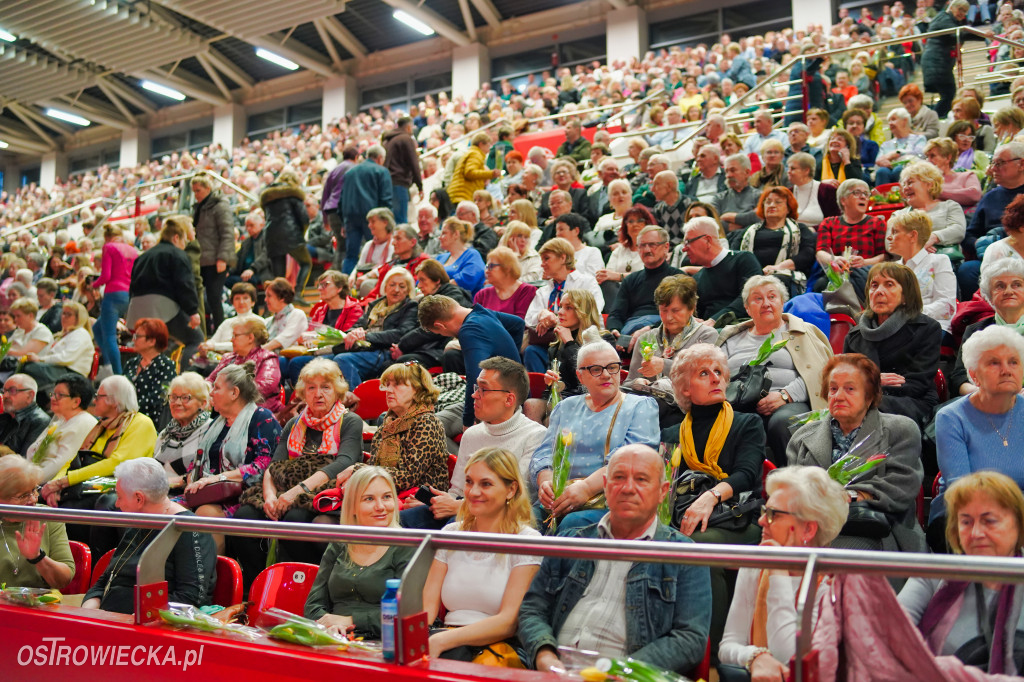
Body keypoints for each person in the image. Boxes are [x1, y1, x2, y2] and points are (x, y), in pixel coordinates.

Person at [518, 444, 711, 674]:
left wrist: (623, 670)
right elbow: (532, 608)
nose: (628, 488)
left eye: (641, 479)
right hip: (552, 673)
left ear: (662, 491)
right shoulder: (571, 541)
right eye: (619, 477)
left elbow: (689, 639)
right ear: (607, 487)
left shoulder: (684, 556)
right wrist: (544, 655)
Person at [664, 343, 768, 645]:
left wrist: (709, 497)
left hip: (737, 519)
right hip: (685, 520)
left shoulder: (748, 422)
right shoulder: (671, 434)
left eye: (719, 372)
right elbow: (665, 488)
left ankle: (713, 653)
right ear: (684, 388)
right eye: (704, 373)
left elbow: (747, 475)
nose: (715, 378)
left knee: (696, 546)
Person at [719, 465, 850, 681]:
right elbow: (727, 646)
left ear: (808, 529)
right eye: (764, 511)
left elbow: (790, 659)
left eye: (773, 515)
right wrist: (755, 657)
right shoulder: (755, 566)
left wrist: (778, 571)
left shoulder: (832, 585)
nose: (761, 521)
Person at [233, 360, 360, 579]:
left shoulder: (350, 421)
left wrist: (297, 491)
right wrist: (269, 497)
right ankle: (257, 584)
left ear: (337, 391)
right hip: (287, 490)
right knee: (244, 517)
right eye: (311, 388)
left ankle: (307, 583)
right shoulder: (294, 423)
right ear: (303, 393)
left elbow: (343, 463)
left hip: (325, 493)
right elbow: (274, 466)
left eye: (325, 387)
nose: (318, 394)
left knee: (295, 519)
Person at [787, 354, 926, 553]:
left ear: (869, 395)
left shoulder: (901, 429)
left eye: (850, 389)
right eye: (833, 389)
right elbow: (794, 491)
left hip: (879, 530)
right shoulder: (802, 437)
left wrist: (849, 496)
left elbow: (900, 486)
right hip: (814, 530)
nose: (839, 396)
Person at [898, 471, 1024, 673]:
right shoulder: (931, 574)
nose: (976, 533)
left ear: (1018, 525)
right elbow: (893, 639)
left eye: (989, 520)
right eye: (966, 522)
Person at [422, 447, 540, 663]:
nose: (473, 492)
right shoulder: (451, 533)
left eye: (485, 484)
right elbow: (427, 609)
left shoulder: (527, 539)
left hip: (498, 649)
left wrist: (444, 641)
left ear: (511, 489)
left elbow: (508, 622)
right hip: (444, 641)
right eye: (469, 482)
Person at [529, 337, 660, 529]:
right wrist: (547, 482)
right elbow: (545, 452)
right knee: (522, 521)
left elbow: (632, 462)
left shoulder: (640, 406)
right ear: (580, 376)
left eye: (612, 367)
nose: (606, 375)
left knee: (572, 525)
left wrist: (586, 488)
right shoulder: (566, 407)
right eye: (596, 369)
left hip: (612, 502)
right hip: (561, 497)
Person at [409, 357, 546, 530]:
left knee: (456, 526)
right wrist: (440, 502)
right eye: (476, 388)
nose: (474, 395)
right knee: (402, 520)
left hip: (506, 519)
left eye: (483, 389)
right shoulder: (472, 434)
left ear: (509, 399)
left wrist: (460, 507)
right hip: (465, 507)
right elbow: (457, 491)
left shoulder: (536, 435)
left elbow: (515, 497)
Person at [718, 276, 833, 461]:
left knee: (782, 422)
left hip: (790, 401)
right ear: (747, 308)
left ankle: (796, 482)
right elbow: (714, 374)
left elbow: (822, 372)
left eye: (772, 297)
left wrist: (785, 395)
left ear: (782, 303)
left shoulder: (804, 331)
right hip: (736, 404)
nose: (766, 303)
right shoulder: (730, 338)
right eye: (757, 298)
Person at [83, 458, 216, 614]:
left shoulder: (188, 529)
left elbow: (190, 598)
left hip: (150, 625)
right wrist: (89, 610)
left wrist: (138, 617)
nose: (117, 504)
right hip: (111, 616)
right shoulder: (140, 520)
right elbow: (107, 579)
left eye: (119, 497)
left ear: (139, 499)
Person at [45, 376, 158, 554]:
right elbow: (73, 460)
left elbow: (117, 463)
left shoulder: (141, 422)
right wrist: (56, 485)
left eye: (99, 396)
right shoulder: (101, 425)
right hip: (86, 483)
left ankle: (86, 565)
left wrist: (66, 482)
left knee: (71, 507)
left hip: (117, 484)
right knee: (39, 497)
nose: (94, 400)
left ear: (115, 401)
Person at [304, 466, 415, 637]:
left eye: (387, 497)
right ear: (353, 507)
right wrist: (330, 625)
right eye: (369, 499)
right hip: (335, 636)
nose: (380, 507)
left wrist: (349, 620)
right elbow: (313, 606)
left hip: (386, 642)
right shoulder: (339, 543)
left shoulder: (406, 547)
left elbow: (407, 614)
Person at [935, 327, 1024, 526]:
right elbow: (962, 488)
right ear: (974, 375)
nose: (1006, 370)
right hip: (965, 512)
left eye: (1014, 362)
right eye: (994, 363)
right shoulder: (951, 418)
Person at [843, 263, 942, 425]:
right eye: (874, 285)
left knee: (863, 406)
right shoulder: (855, 335)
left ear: (905, 296)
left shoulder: (927, 328)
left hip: (914, 402)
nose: (879, 291)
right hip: (864, 399)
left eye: (889, 285)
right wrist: (873, 380)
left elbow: (918, 384)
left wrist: (868, 384)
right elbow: (845, 378)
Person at [333, 362, 449, 493]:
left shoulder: (427, 422)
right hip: (387, 494)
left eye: (397, 384)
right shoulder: (388, 422)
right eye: (387, 385)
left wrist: (358, 469)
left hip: (423, 501)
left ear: (417, 389)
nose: (388, 390)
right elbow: (374, 467)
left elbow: (407, 478)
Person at [417, 294, 525, 428]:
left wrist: (468, 421)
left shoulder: (470, 330)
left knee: (426, 428)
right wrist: (512, 362)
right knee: (430, 422)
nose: (443, 336)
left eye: (439, 333)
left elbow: (475, 377)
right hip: (505, 397)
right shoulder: (483, 313)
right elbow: (518, 324)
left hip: (501, 405)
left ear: (440, 326)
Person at [324, 268, 419, 390]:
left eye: (402, 286)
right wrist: (352, 333)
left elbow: (402, 333)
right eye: (392, 285)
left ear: (408, 290)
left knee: (342, 360)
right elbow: (357, 326)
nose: (396, 290)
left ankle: (356, 403)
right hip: (362, 349)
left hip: (383, 350)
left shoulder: (410, 306)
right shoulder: (375, 305)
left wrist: (366, 335)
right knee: (308, 362)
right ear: (385, 287)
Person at [127, 216, 204, 364]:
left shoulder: (143, 256)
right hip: (161, 309)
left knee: (162, 343)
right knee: (196, 339)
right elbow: (184, 284)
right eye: (183, 241)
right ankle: (188, 380)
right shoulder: (178, 254)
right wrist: (193, 311)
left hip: (136, 311)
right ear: (176, 238)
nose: (184, 245)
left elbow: (132, 287)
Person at [522, 238, 604, 370]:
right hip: (551, 343)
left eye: (546, 259)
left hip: (582, 342)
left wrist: (556, 320)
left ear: (562, 258)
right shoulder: (544, 290)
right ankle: (546, 390)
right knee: (531, 351)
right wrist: (542, 314)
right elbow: (528, 320)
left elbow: (593, 312)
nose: (542, 264)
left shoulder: (586, 282)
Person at [0, 456, 74, 590]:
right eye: (22, 496)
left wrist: (38, 558)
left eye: (34, 490)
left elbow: (64, 580)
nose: (33, 499)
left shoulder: (48, 516)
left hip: (38, 604)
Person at [952, 258, 1024, 395]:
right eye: (1000, 286)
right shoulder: (975, 330)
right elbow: (958, 377)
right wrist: (978, 392)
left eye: (1016, 285)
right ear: (989, 297)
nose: (1008, 291)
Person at [733, 186, 817, 296]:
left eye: (778, 202)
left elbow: (807, 255)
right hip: (749, 275)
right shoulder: (747, 232)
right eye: (768, 202)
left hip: (783, 275)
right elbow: (735, 254)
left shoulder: (800, 229)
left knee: (771, 282)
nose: (772, 205)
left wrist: (778, 268)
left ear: (788, 208)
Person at [885, 210, 957, 334]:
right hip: (898, 328)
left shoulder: (939, 261)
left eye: (895, 232)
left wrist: (908, 314)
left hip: (933, 326)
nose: (889, 237)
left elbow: (946, 306)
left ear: (913, 236)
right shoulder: (891, 269)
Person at [813, 179, 888, 299]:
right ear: (843, 200)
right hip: (836, 272)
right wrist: (835, 259)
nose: (863, 197)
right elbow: (821, 252)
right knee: (821, 285)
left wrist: (865, 262)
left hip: (867, 273)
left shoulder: (877, 223)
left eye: (866, 194)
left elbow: (884, 256)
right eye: (857, 193)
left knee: (857, 282)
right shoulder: (829, 223)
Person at [682, 216, 762, 324]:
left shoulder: (743, 259)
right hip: (709, 333)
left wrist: (714, 320)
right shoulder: (697, 278)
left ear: (707, 240)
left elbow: (750, 297)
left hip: (741, 328)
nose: (684, 248)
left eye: (688, 242)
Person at [606, 226, 682, 335]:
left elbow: (681, 315)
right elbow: (616, 314)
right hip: (630, 331)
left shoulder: (678, 278)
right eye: (642, 245)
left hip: (663, 331)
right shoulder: (631, 280)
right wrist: (615, 330)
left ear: (666, 247)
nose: (647, 250)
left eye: (652, 245)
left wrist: (649, 329)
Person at [25, 374, 97, 483]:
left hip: (50, 485)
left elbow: (61, 464)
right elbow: (33, 450)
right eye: (53, 394)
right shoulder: (60, 420)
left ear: (76, 402)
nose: (53, 398)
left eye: (60, 395)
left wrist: (29, 481)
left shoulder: (84, 422)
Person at [20, 301, 94, 405]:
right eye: (63, 313)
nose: (64, 317)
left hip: (72, 373)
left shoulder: (81, 333)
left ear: (79, 318)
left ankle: (25, 400)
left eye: (68, 314)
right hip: (58, 369)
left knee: (30, 368)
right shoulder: (63, 334)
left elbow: (66, 358)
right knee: (25, 367)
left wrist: (40, 359)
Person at [207, 318, 283, 415]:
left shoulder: (267, 357)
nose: (231, 339)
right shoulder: (228, 357)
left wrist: (224, 395)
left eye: (235, 335)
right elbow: (210, 380)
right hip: (225, 410)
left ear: (250, 338)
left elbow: (263, 388)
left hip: (257, 414)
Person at [191, 175, 236, 335]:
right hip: (201, 260)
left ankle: (220, 334)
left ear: (208, 188)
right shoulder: (198, 208)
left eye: (198, 190)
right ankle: (206, 333)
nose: (196, 194)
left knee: (215, 298)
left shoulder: (219, 205)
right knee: (204, 300)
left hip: (216, 259)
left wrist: (223, 258)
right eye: (194, 191)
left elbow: (227, 233)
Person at [893, 161, 968, 254]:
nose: (905, 188)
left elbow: (958, 231)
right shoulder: (898, 215)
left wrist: (933, 237)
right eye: (904, 184)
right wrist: (917, 245)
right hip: (909, 263)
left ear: (929, 184)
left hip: (946, 260)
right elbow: (890, 244)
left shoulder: (950, 206)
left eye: (910, 182)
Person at [92, 225, 138, 374]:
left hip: (113, 294)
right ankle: (107, 365)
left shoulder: (109, 247)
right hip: (129, 295)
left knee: (109, 336)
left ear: (107, 237)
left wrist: (93, 284)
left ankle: (116, 373)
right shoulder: (133, 250)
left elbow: (106, 275)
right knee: (97, 327)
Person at [154, 372, 210, 490]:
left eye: (185, 398)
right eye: (173, 397)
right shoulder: (167, 432)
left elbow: (205, 475)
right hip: (157, 493)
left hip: (187, 497)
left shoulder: (210, 431)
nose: (177, 403)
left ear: (203, 403)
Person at [341, 145, 393, 274]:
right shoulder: (381, 171)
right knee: (377, 250)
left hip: (351, 218)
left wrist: (343, 220)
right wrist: (388, 221)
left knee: (351, 256)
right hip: (374, 218)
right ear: (380, 158)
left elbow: (341, 199)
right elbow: (386, 198)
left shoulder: (349, 173)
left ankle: (345, 287)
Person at [123, 318, 177, 426]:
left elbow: (160, 398)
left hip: (148, 422)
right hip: (124, 417)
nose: (133, 340)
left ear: (152, 341)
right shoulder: (131, 363)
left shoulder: (166, 365)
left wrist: (129, 409)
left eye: (137, 336)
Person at [922, 0, 969, 118]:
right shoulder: (944, 19)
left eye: (965, 11)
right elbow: (957, 34)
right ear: (951, 8)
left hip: (939, 64)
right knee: (949, 95)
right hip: (936, 64)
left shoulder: (947, 20)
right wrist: (982, 35)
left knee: (949, 95)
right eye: (960, 9)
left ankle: (934, 118)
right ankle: (932, 119)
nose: (962, 13)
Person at [199, 282, 263, 358]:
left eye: (245, 298)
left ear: (253, 302)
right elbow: (213, 341)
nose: (241, 302)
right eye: (237, 298)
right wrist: (205, 346)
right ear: (232, 303)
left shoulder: (258, 322)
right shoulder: (226, 322)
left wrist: (215, 346)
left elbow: (241, 345)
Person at [321, 146, 360, 270]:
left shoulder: (334, 170)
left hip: (331, 211)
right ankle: (343, 279)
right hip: (345, 210)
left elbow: (325, 194)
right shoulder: (355, 168)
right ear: (356, 157)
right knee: (350, 247)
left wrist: (325, 219)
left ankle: (336, 277)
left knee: (340, 246)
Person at [473, 246, 538, 319]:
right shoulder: (482, 295)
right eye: (487, 266)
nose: (487, 271)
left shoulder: (526, 291)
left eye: (491, 266)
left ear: (507, 268)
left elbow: (519, 324)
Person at [382, 116, 422, 223]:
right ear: (409, 127)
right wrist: (420, 186)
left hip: (387, 183)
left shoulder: (387, 140)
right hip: (399, 182)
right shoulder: (406, 138)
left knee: (391, 220)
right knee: (401, 221)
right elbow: (414, 163)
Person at [924, 137, 982, 209]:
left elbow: (974, 195)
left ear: (948, 158)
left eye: (932, 156)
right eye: (927, 156)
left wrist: (936, 192)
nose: (928, 161)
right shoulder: (924, 179)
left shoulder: (967, 176)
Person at [875, 108, 928, 185]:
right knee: (882, 171)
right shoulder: (886, 144)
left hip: (911, 171)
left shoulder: (918, 138)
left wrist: (897, 153)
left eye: (893, 119)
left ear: (905, 121)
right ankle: (881, 197)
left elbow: (921, 154)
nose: (890, 123)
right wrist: (884, 162)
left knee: (899, 169)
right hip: (887, 171)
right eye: (889, 121)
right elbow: (878, 161)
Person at [709, 154, 760, 232]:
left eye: (733, 170)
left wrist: (730, 217)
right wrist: (729, 226)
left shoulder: (759, 195)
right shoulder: (719, 198)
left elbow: (759, 217)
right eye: (726, 171)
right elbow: (712, 222)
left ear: (747, 172)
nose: (728, 175)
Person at [0, 374, 49, 456]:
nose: (5, 396)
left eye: (12, 391)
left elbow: (26, 460)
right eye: (4, 391)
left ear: (30, 395)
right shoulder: (7, 416)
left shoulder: (40, 421)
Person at [435, 218, 486, 293]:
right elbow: (421, 282)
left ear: (456, 234)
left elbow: (465, 283)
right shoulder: (440, 258)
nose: (439, 237)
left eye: (444, 233)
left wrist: (432, 287)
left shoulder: (472, 256)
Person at [449, 133, 501, 204]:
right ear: (481, 144)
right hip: (462, 195)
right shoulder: (475, 154)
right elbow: (470, 172)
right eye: (488, 145)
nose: (489, 149)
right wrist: (491, 174)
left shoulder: (472, 153)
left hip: (459, 194)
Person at [786, 152, 835, 229]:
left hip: (819, 236)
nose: (788, 171)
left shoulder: (827, 190)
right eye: (788, 168)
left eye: (793, 168)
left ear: (806, 171)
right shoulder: (787, 192)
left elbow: (834, 221)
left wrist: (811, 230)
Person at [227, 211, 273, 289]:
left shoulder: (267, 238)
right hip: (243, 274)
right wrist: (228, 271)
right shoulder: (246, 242)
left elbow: (265, 256)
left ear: (261, 225)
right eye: (247, 226)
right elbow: (237, 259)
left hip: (260, 274)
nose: (248, 228)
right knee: (224, 279)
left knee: (249, 281)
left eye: (251, 225)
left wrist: (252, 269)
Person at [263, 277, 308, 353]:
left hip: (286, 358)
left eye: (269, 296)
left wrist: (258, 352)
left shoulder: (297, 314)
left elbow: (283, 339)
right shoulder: (269, 320)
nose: (265, 299)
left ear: (282, 298)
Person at [5, 298, 52, 368]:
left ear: (30, 315)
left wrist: (3, 350)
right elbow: (7, 348)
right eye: (14, 316)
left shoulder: (42, 331)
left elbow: (24, 354)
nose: (15, 319)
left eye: (18, 316)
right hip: (10, 366)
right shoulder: (19, 331)